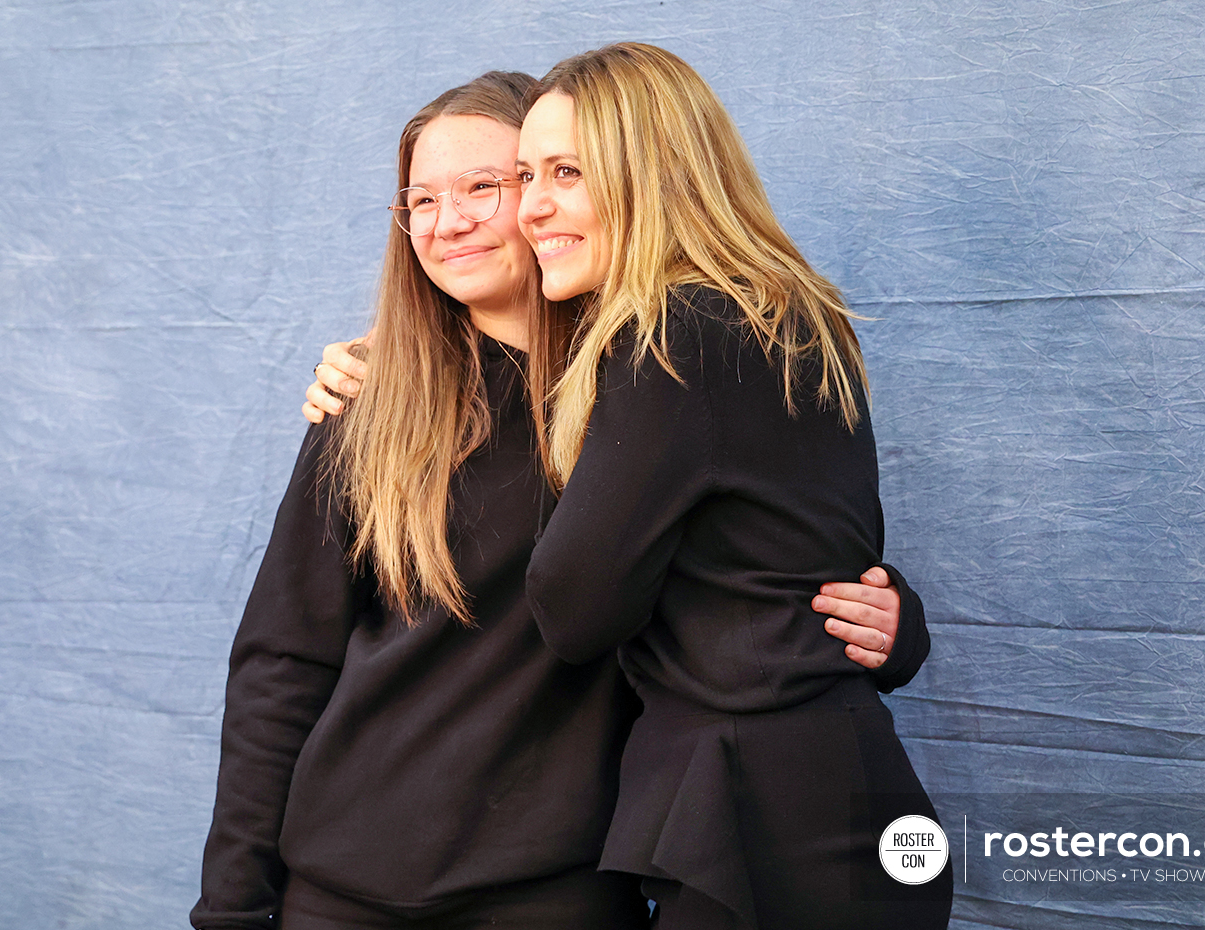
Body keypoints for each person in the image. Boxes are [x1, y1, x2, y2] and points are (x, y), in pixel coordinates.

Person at [194, 69, 928, 930]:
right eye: (420, 200)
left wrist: (890, 623)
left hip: (562, 888)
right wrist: (234, 909)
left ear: (592, 183)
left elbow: (760, 555)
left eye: (485, 187)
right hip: (344, 885)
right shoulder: (368, 404)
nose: (448, 222)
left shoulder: (661, 372)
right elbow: (284, 662)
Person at [513, 44, 954, 929]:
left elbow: (574, 608)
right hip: (831, 795)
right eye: (525, 173)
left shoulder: (675, 332)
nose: (532, 206)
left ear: (655, 171)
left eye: (568, 172)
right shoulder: (788, 312)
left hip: (765, 825)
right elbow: (800, 555)